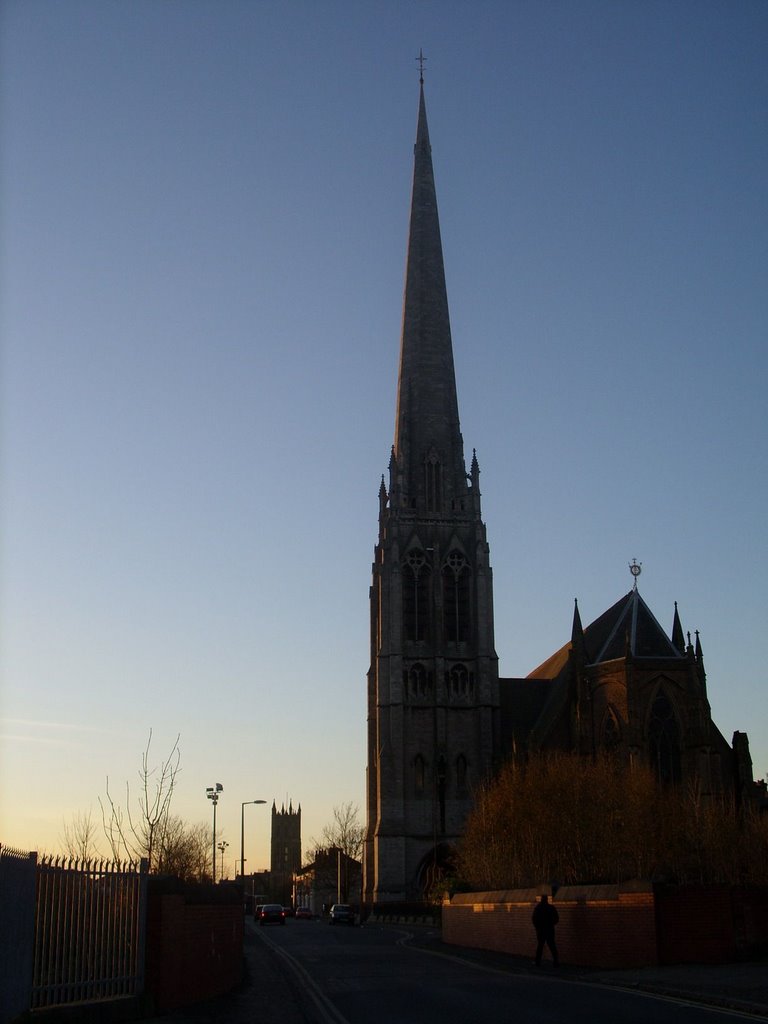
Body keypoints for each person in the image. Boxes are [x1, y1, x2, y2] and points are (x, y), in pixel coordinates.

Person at [532, 894, 559, 967]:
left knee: (540, 946)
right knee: (552, 946)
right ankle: (556, 962)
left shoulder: (538, 908)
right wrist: (551, 924)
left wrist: (537, 927)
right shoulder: (551, 908)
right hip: (550, 929)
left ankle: (537, 962)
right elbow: (556, 919)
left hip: (541, 930)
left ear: (541, 899)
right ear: (547, 899)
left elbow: (534, 919)